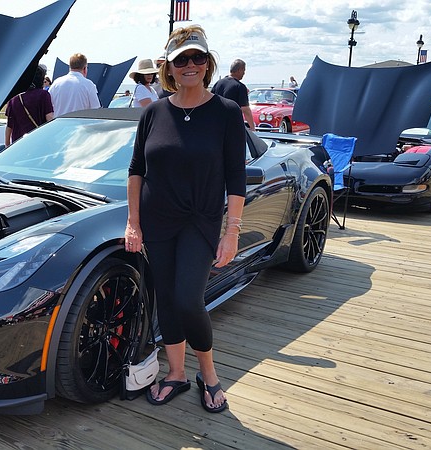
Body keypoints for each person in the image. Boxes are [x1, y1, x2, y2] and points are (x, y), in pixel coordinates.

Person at [126, 24, 246, 414]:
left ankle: (208, 376)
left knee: (188, 300)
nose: (190, 65)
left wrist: (232, 232)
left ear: (208, 64)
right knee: (165, 299)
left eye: (197, 58)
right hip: (157, 222)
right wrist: (133, 222)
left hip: (200, 221)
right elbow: (136, 170)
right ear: (170, 68)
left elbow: (236, 176)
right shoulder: (154, 112)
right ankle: (175, 373)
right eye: (181, 59)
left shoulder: (225, 113)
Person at [4, 64, 54, 146]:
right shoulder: (44, 95)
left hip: (18, 145)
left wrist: (7, 145)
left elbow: (9, 125)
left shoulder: (14, 98)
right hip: (38, 143)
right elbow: (49, 118)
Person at [211, 59, 255, 130]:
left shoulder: (218, 83)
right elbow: (245, 109)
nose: (244, 73)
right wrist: (252, 127)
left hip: (215, 124)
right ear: (239, 70)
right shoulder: (240, 87)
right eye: (244, 70)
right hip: (230, 126)